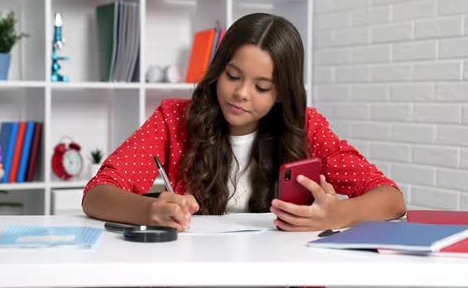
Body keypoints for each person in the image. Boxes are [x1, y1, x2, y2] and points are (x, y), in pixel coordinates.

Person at [82, 13, 406, 232]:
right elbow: (97, 194)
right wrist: (148, 211)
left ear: (281, 93)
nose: (241, 94)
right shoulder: (174, 117)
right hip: (194, 271)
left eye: (261, 87)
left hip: (281, 272)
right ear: (217, 71)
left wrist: (338, 214)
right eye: (232, 76)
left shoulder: (307, 126)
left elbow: (391, 199)